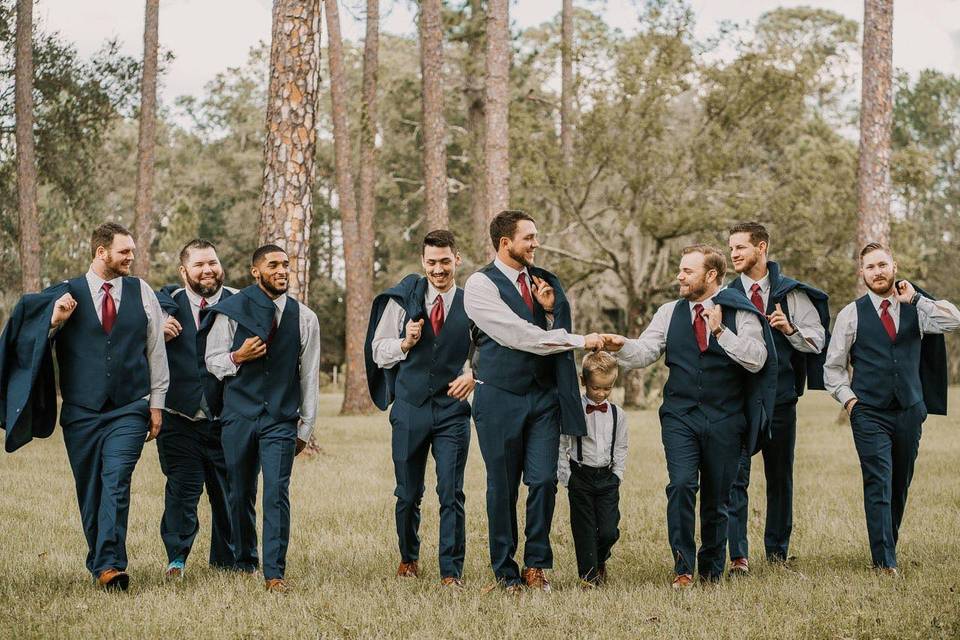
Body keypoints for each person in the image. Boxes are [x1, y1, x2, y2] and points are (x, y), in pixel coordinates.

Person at [0, 222, 169, 591]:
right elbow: (30, 342)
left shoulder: (142, 292)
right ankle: (100, 561)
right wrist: (54, 323)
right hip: (81, 410)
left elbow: (155, 348)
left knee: (117, 479)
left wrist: (157, 403)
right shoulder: (65, 294)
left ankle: (110, 564)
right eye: (124, 251)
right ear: (101, 252)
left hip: (129, 406)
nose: (131, 258)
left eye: (132, 251)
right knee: (89, 486)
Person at [602, 244, 776, 588]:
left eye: (687, 271)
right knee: (681, 485)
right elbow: (646, 351)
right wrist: (618, 345)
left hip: (727, 418)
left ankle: (711, 568)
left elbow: (758, 359)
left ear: (711, 276)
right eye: (680, 269)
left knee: (717, 497)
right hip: (680, 415)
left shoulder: (739, 311)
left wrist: (721, 332)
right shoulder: (669, 312)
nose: (679, 276)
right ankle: (683, 566)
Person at [463, 209, 604, 593]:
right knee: (503, 487)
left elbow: (541, 328)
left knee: (544, 480)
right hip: (498, 397)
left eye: (536, 236)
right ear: (505, 243)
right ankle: (505, 572)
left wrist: (549, 312)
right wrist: (579, 340)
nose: (536, 243)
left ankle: (536, 565)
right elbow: (515, 335)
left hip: (544, 397)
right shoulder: (479, 285)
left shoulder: (544, 283)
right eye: (529, 237)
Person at [824, 242, 958, 575]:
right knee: (878, 481)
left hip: (910, 410)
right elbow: (833, 367)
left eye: (882, 264)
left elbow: (955, 322)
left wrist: (915, 299)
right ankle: (884, 562)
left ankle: (888, 545)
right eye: (870, 267)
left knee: (900, 483)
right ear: (862, 273)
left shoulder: (916, 306)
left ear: (894, 266)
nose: (878, 272)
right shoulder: (851, 314)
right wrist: (850, 401)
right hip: (869, 411)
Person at [202, 244, 321, 593]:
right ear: (256, 272)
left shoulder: (305, 317)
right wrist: (238, 356)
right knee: (239, 492)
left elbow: (309, 376)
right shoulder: (231, 312)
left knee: (276, 493)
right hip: (237, 416)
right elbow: (212, 361)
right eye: (273, 265)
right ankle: (244, 559)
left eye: (286, 264)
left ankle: (275, 573)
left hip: (281, 419)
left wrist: (306, 426)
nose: (282, 270)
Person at [365, 230, 474, 587]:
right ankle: (408, 559)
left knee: (451, 493)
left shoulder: (474, 303)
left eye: (445, 261)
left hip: (453, 411)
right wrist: (405, 342)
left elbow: (492, 349)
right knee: (408, 492)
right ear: (422, 262)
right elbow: (378, 351)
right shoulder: (403, 302)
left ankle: (450, 571)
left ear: (457, 259)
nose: (438, 269)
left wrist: (475, 374)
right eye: (431, 262)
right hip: (410, 408)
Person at [725, 222, 829, 573]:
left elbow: (818, 340)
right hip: (737, 400)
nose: (734, 254)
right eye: (731, 248)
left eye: (741, 247)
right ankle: (738, 556)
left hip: (782, 399)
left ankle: (777, 553)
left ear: (762, 247)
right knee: (735, 477)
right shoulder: (727, 295)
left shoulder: (791, 293)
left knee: (780, 477)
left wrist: (790, 329)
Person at [154, 239, 237, 579]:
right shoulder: (166, 303)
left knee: (230, 493)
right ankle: (177, 557)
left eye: (213, 263)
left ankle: (227, 558)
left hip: (227, 420)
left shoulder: (239, 302)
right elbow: (143, 309)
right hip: (179, 418)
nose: (208, 270)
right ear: (184, 271)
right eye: (200, 264)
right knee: (181, 491)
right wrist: (156, 328)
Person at [558, 351, 628, 588]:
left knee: (609, 530)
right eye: (596, 388)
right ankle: (588, 577)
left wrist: (617, 474)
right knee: (584, 529)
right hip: (581, 476)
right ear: (583, 381)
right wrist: (567, 477)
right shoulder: (574, 408)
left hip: (607, 478)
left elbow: (621, 446)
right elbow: (563, 442)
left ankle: (600, 559)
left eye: (607, 389)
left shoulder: (619, 414)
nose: (600, 394)